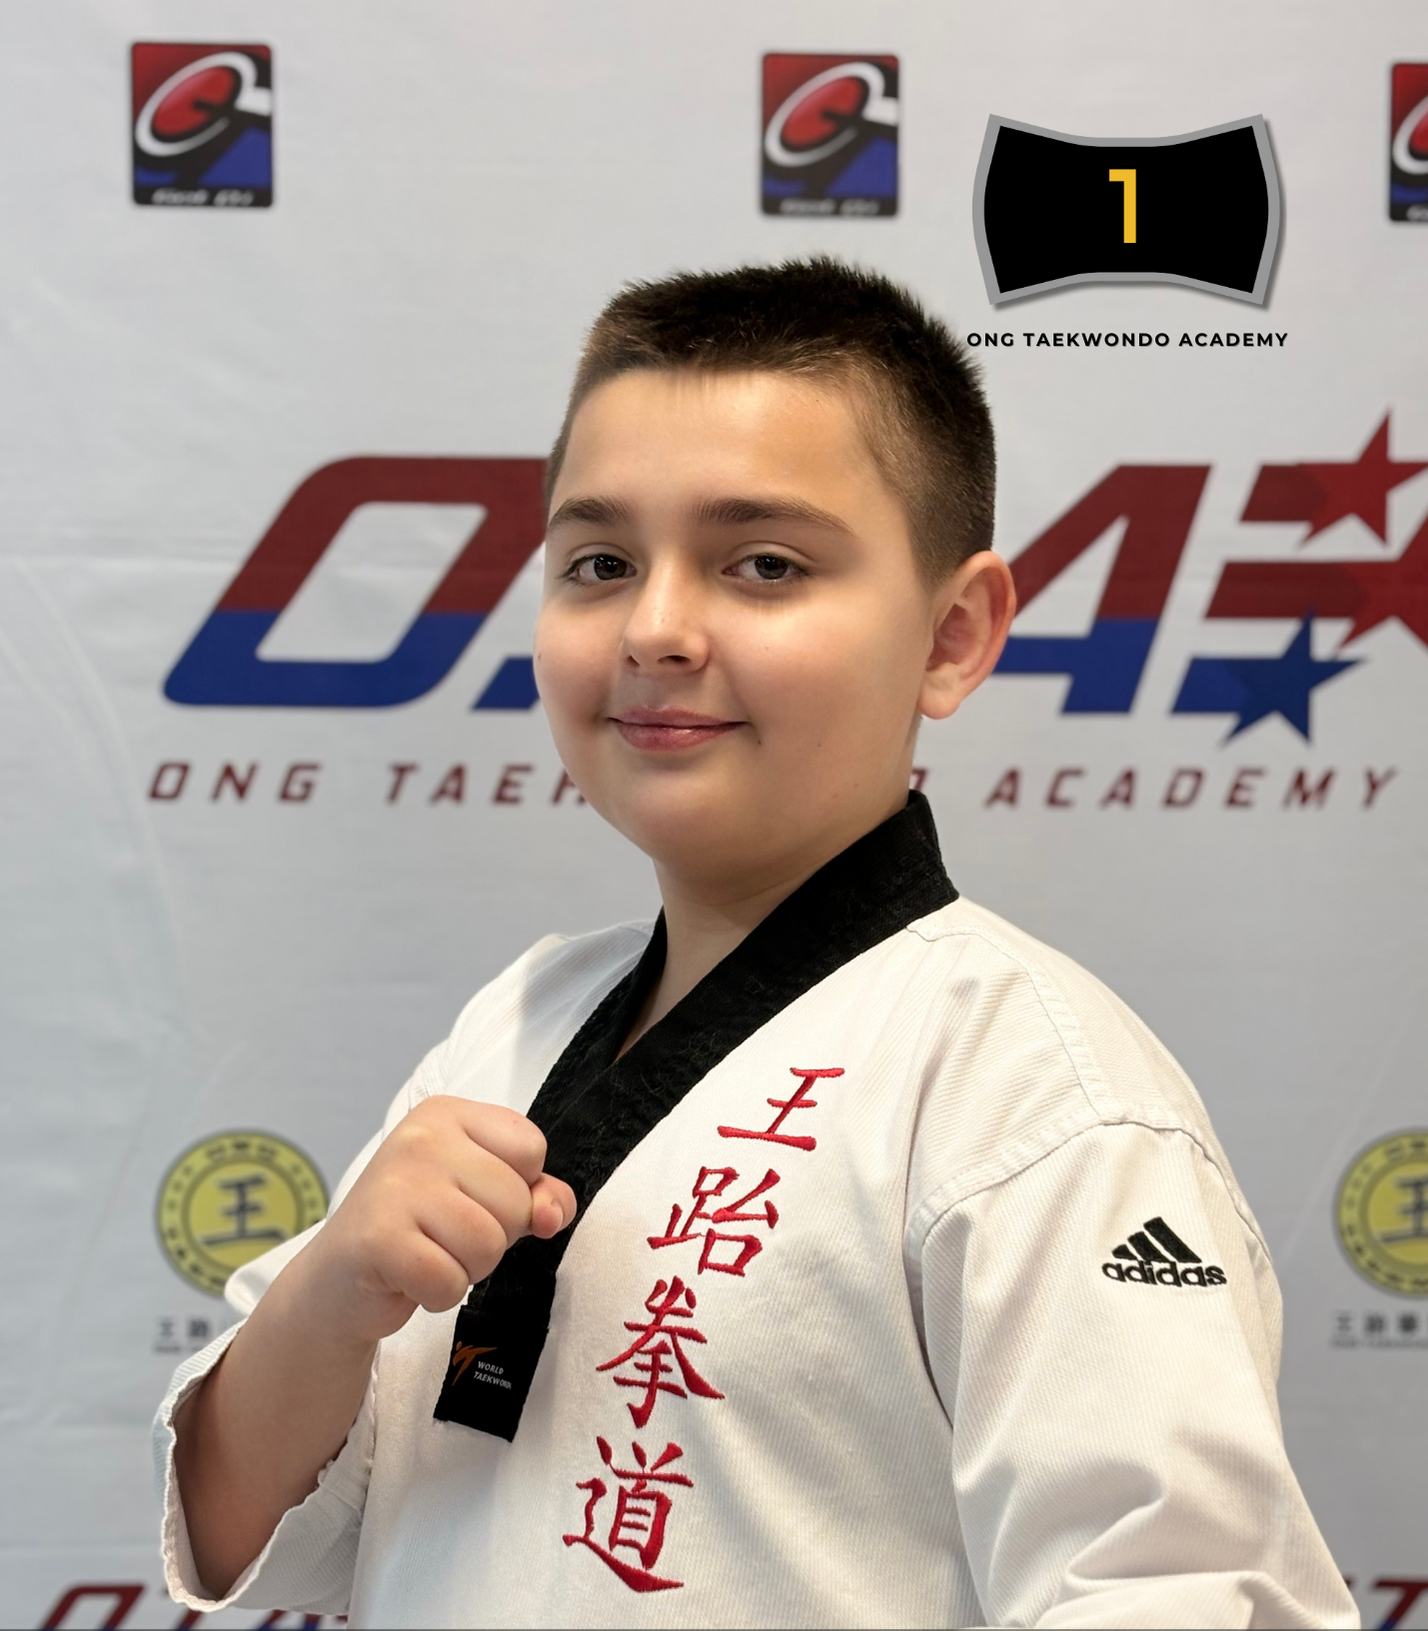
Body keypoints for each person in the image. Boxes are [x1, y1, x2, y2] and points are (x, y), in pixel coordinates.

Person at [155, 258, 1357, 1630]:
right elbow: (240, 1529)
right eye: (599, 562)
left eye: (765, 564)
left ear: (953, 635)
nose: (659, 627)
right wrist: (331, 1288)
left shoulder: (1035, 1096)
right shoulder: (515, 1025)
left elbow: (1183, 1595)